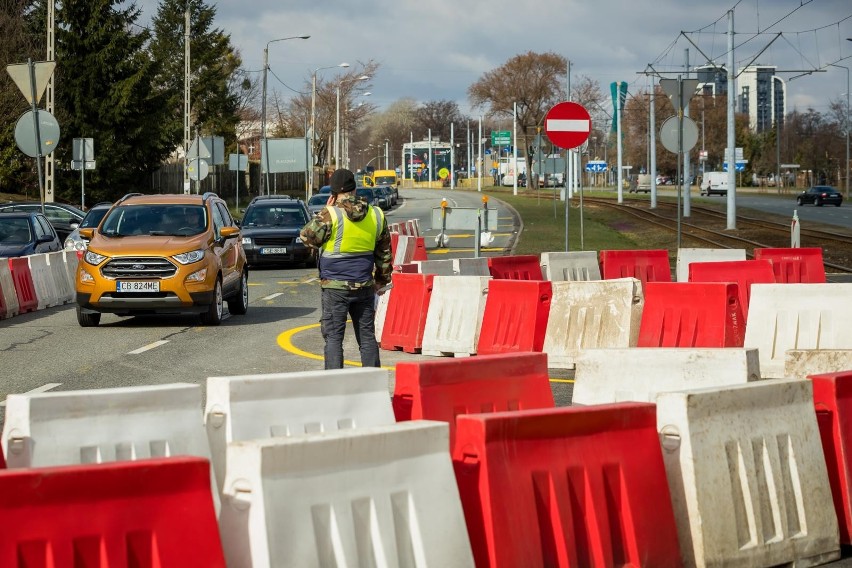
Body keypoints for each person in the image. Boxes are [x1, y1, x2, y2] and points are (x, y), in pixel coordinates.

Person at [300, 168, 392, 369]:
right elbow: (384, 253)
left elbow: (306, 237)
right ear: (355, 188)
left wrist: (323, 213)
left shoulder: (330, 214)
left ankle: (336, 388)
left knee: (334, 338)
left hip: (335, 288)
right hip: (365, 286)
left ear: (333, 193)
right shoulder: (376, 214)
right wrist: (381, 281)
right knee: (367, 337)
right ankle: (372, 387)